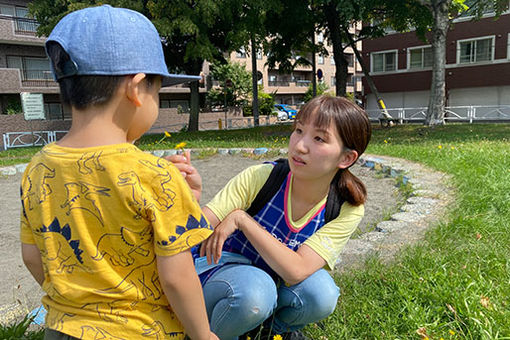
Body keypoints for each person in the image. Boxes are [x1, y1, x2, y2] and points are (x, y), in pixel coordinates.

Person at [20, 5, 218, 340]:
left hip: (60, 329)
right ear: (137, 88)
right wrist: (203, 334)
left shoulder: (36, 168)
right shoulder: (154, 175)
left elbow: (32, 256)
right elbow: (176, 277)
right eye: (157, 92)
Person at [172, 95, 372, 340]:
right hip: (220, 276)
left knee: (321, 293)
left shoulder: (345, 207)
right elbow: (189, 235)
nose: (299, 146)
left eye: (319, 138)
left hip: (273, 282)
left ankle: (265, 333)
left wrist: (242, 220)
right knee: (254, 293)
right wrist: (186, 199)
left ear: (346, 158)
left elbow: (296, 271)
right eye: (298, 130)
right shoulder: (263, 178)